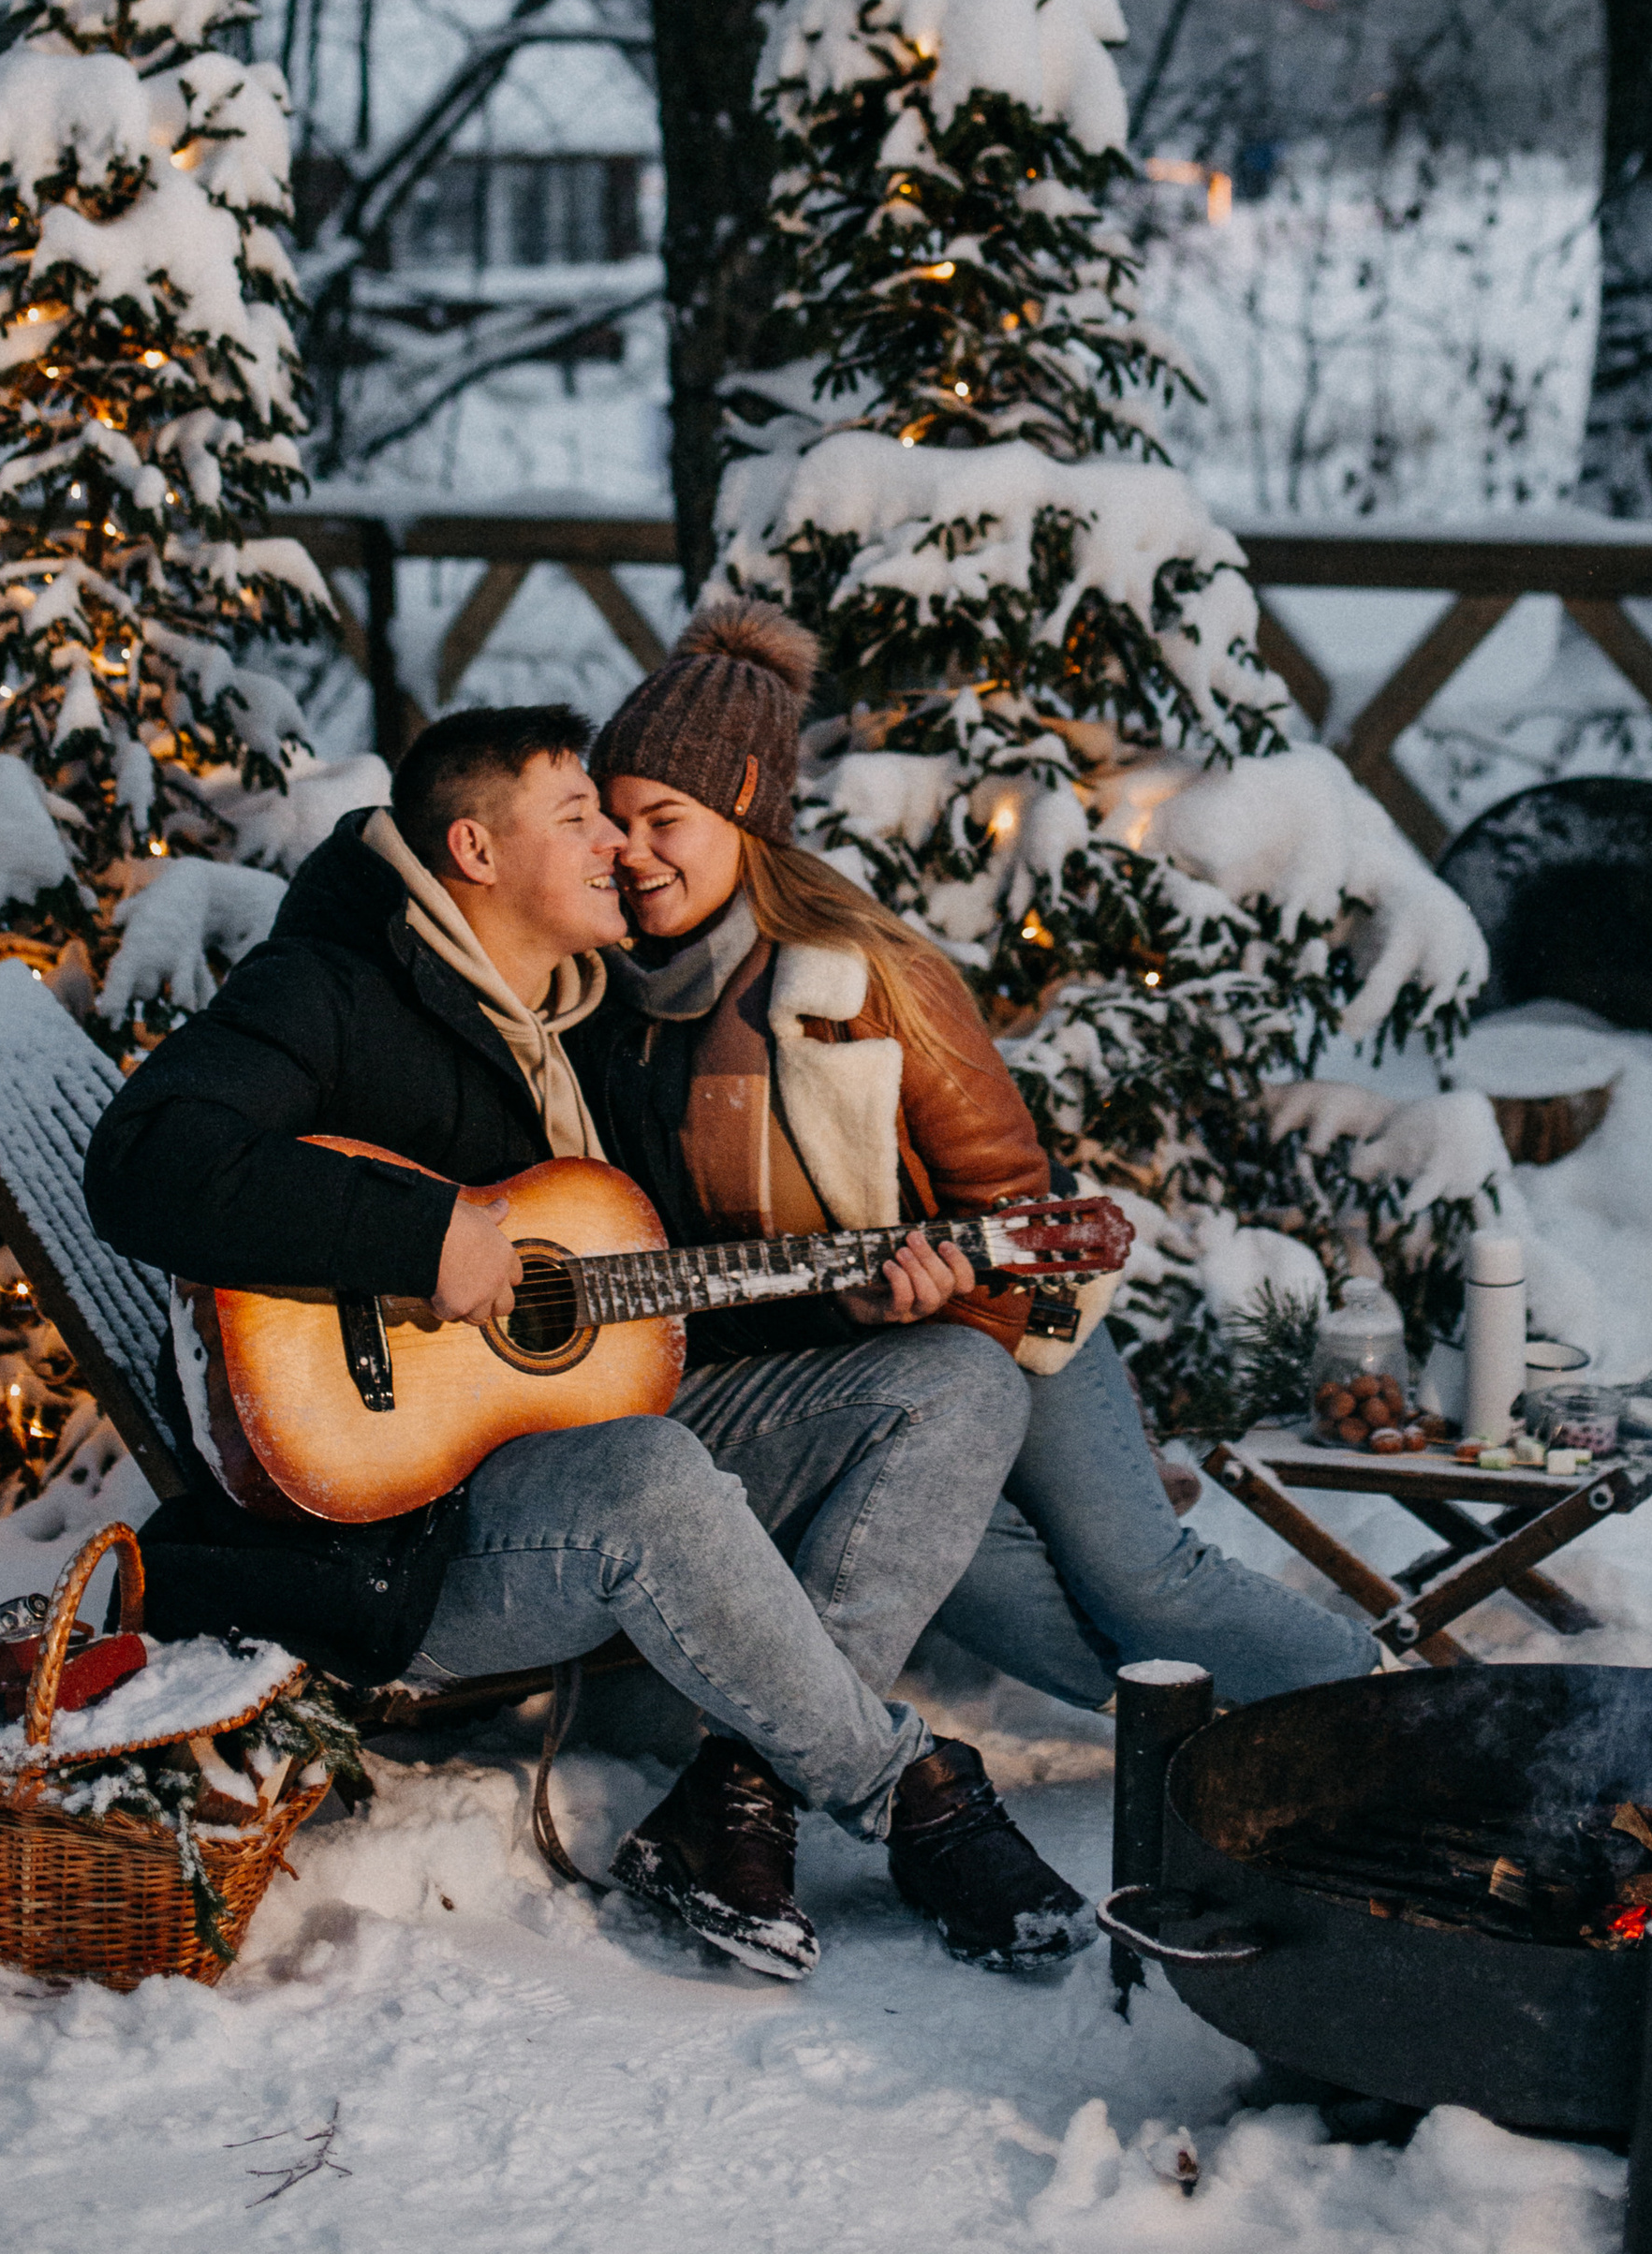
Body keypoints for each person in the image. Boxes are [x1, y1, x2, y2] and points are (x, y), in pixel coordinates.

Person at [84, 700, 1081, 1983]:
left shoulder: (575, 1025)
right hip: (396, 1537)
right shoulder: (331, 985)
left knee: (954, 1379)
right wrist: (416, 1234)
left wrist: (851, 1303)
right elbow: (146, 1161)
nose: (617, 842)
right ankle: (911, 1799)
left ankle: (734, 1799)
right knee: (649, 1482)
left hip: (563, 1453)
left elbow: (619, 1310)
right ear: (477, 852)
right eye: (579, 818)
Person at [583, 603, 1378, 1746]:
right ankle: (1212, 1748)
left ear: (747, 813)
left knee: (1139, 1583)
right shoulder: (613, 1004)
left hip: (1004, 1317)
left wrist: (935, 1299)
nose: (633, 851)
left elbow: (1014, 1205)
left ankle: (1391, 1699)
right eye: (613, 822)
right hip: (846, 1379)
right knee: (986, 1587)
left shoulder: (868, 978)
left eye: (666, 818)